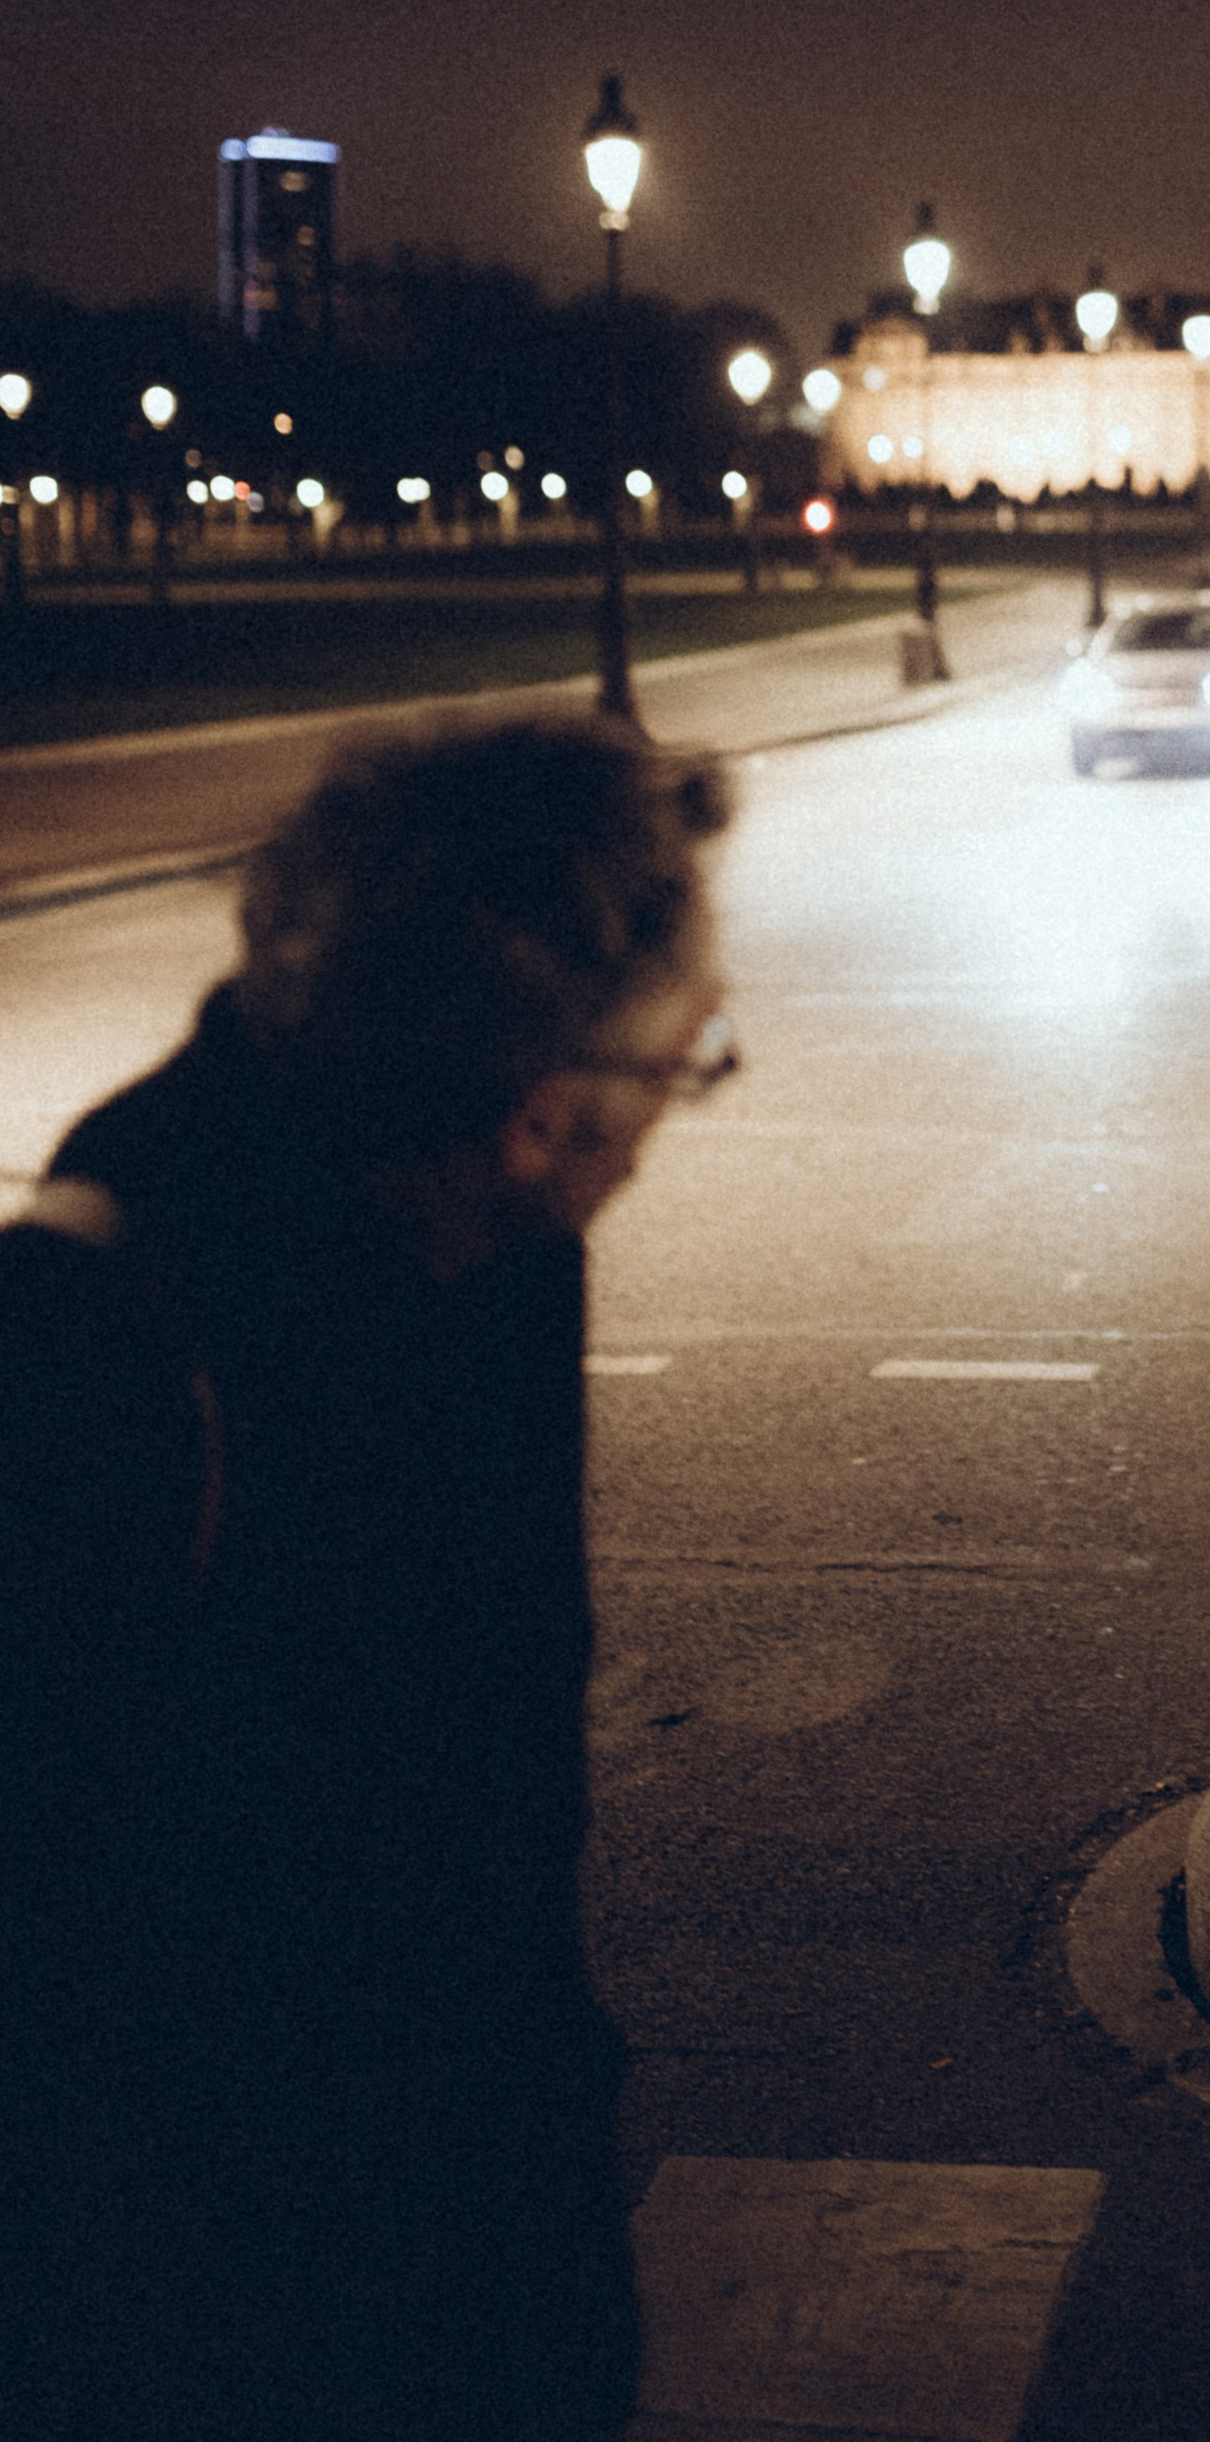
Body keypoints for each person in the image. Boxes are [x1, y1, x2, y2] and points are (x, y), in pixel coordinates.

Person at [0, 716, 732, 2442]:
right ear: (540, 1122)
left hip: (479, 2231)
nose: (678, 1112)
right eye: (686, 1064)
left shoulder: (488, 1226)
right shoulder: (88, 1345)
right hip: (209, 2306)